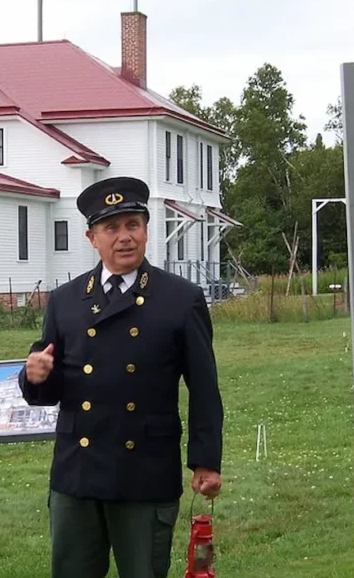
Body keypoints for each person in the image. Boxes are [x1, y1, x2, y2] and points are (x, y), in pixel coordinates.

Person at [18, 176, 224, 578]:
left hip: (144, 471)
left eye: (133, 225)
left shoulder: (180, 299)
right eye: (111, 228)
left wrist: (206, 461)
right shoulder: (65, 300)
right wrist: (36, 376)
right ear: (92, 238)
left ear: (146, 230)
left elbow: (203, 387)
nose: (124, 237)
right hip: (77, 472)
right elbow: (49, 383)